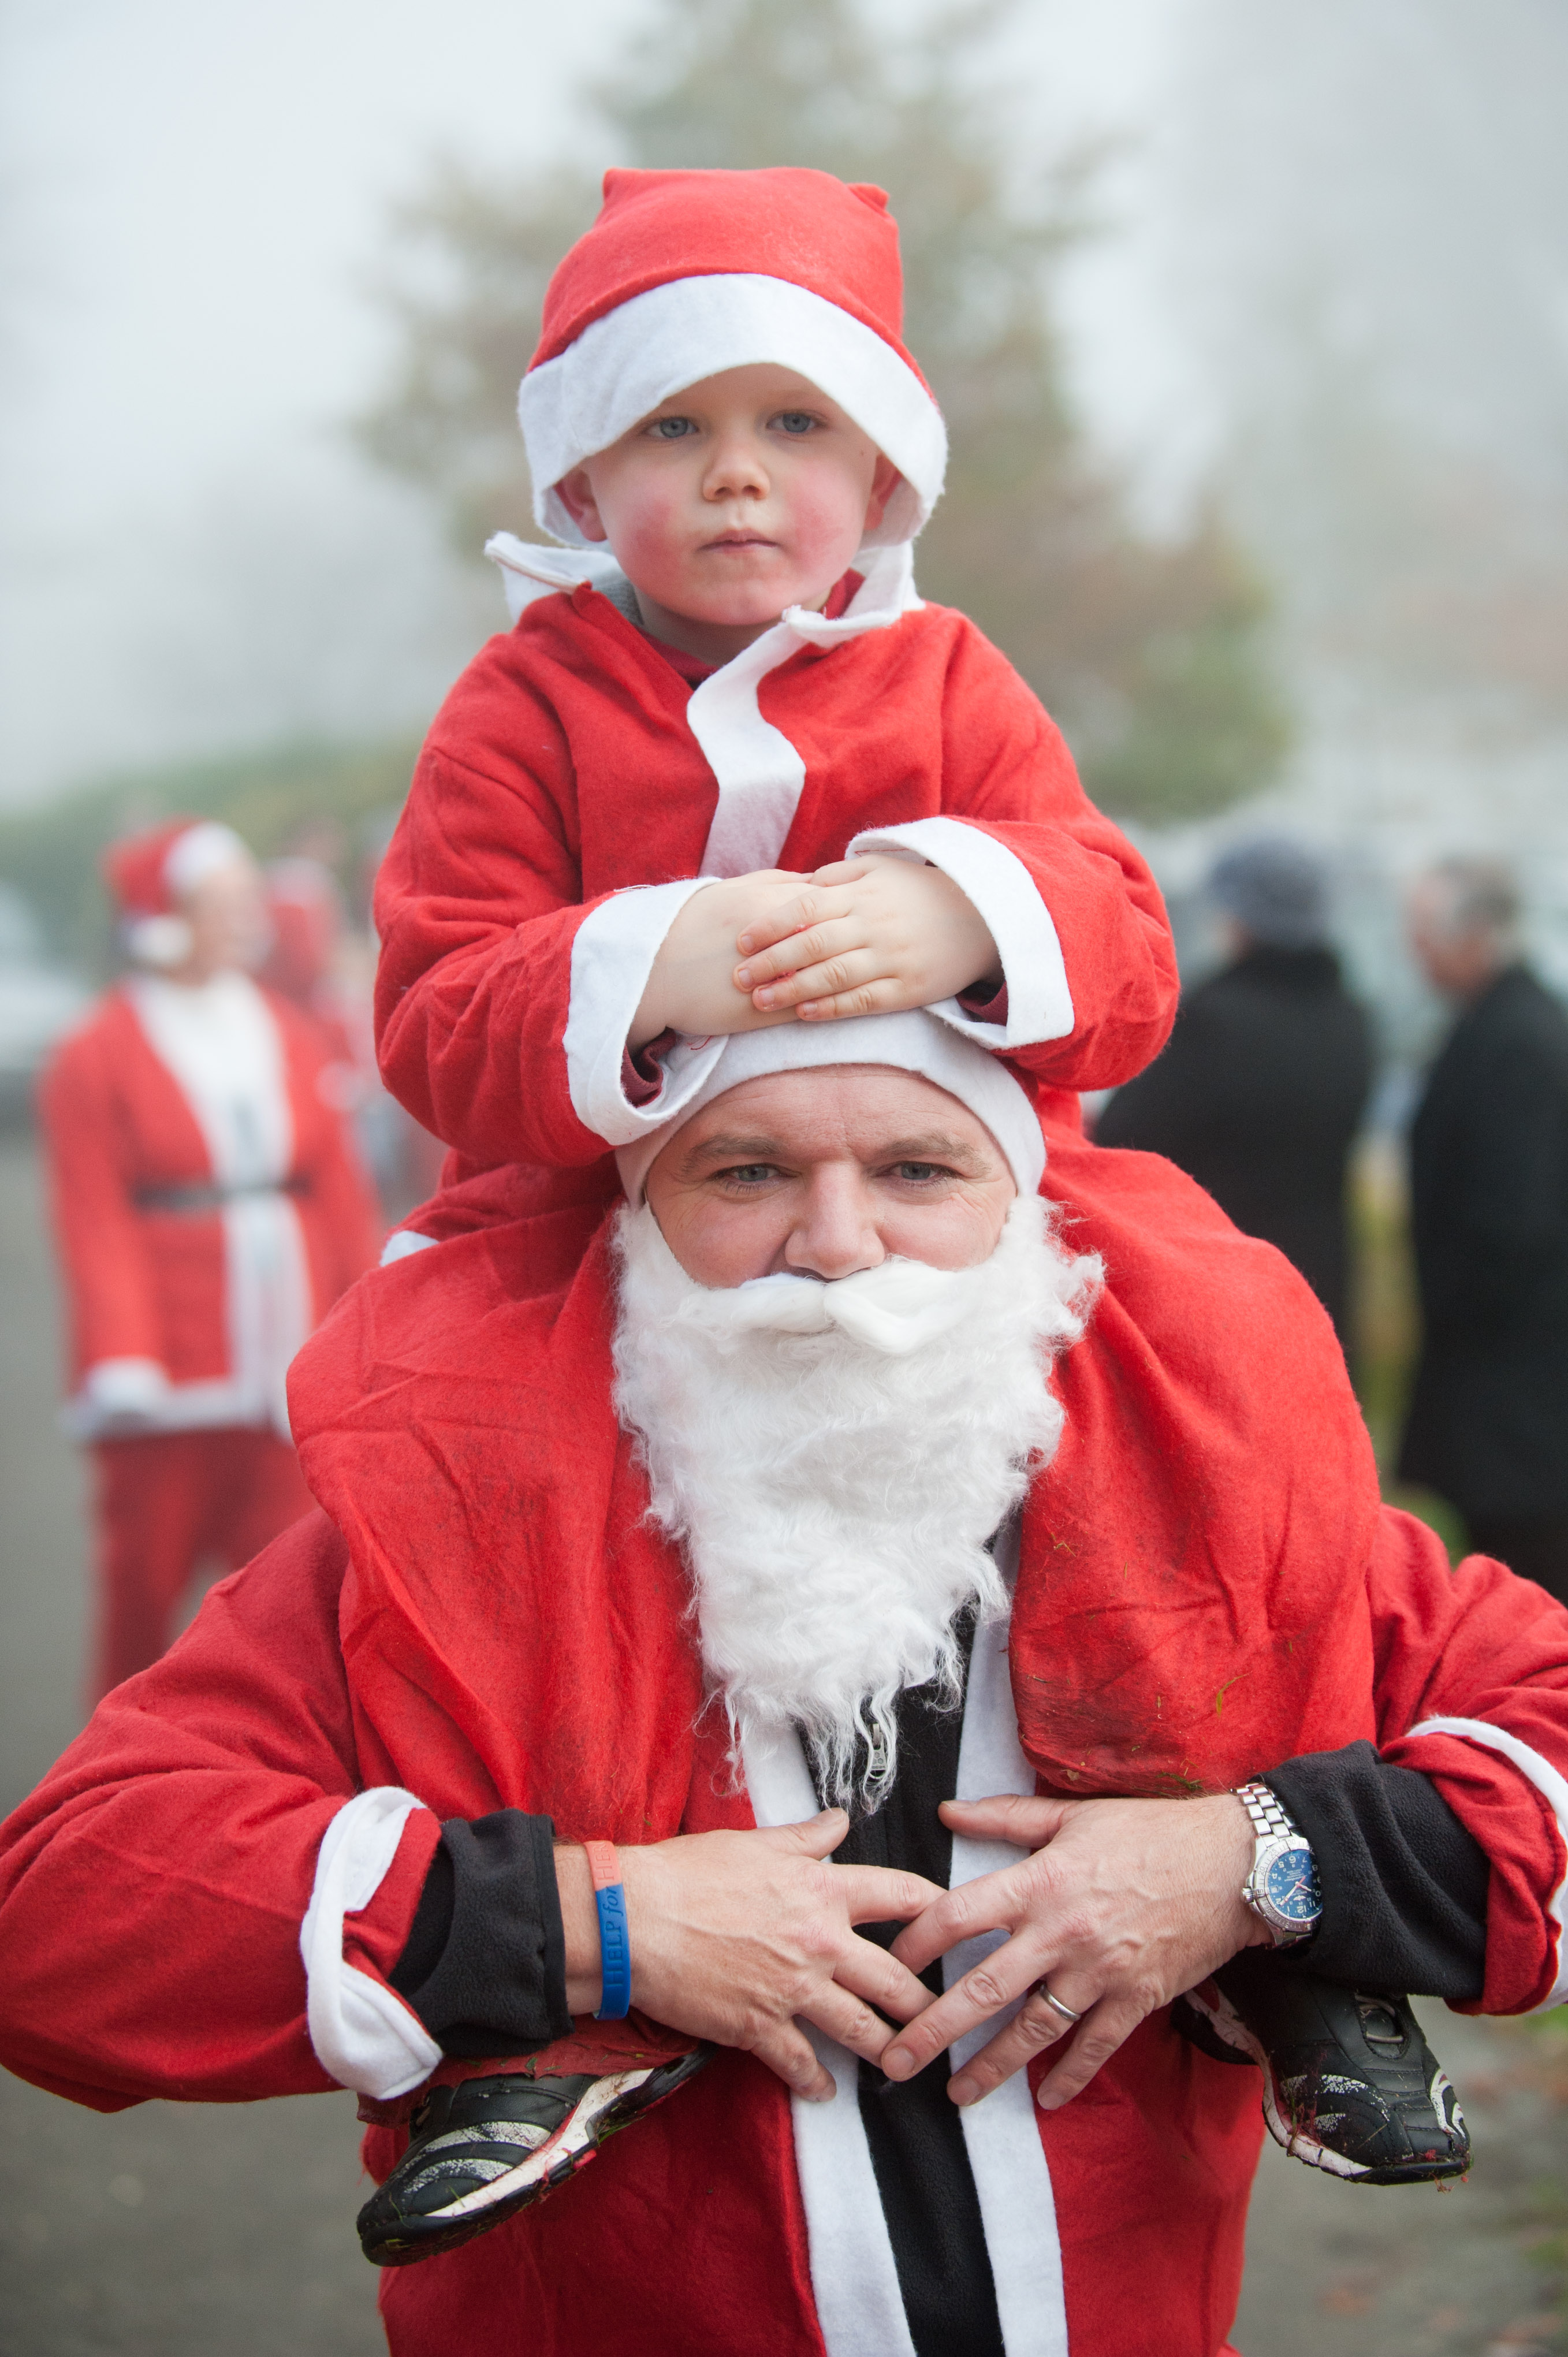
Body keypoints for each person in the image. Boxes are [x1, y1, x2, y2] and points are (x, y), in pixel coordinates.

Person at [5, 1015, 1562, 2357]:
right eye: (744, 1171)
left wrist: (1249, 1861)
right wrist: (592, 1925)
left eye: (916, 1170)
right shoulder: (444, 1529)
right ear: (634, 1213)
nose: (837, 1246)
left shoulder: (1213, 1498)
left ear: (1025, 1202)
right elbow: (65, 1917)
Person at [369, 165, 1178, 1243]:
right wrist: (660, 966)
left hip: (950, 1234)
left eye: (796, 422)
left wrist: (970, 922)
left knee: (1234, 1346)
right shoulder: (520, 705)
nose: (735, 473)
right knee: (418, 1403)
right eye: (672, 427)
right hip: (597, 1244)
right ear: (579, 484)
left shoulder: (949, 677)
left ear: (882, 479)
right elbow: (435, 1030)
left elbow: (1135, 973)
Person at [37, 819, 383, 1699]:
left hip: (286, 1363)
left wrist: (370, 1320)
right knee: (144, 1585)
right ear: (164, 915)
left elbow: (337, 1189)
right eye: (219, 903)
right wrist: (124, 1358)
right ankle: (115, 1762)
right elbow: (94, 1218)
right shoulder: (95, 1051)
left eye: (245, 900)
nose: (245, 919)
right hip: (170, 1380)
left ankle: (274, 1751)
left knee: (290, 1579)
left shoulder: (286, 1026)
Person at [1095, 837, 1372, 1343]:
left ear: (1239, 919)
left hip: (1223, 1287)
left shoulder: (1213, 1022)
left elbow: (1120, 1136)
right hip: (1322, 1281)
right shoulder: (1352, 1020)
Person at [1398, 857, 1568, 1597]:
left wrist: (1454, 1300)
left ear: (1475, 935)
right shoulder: (1501, 1023)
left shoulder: (1520, 1041)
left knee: (1531, 1577)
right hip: (1505, 1371)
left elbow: (1515, 1219)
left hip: (1519, 1384)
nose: (1417, 952)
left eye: (1427, 933)